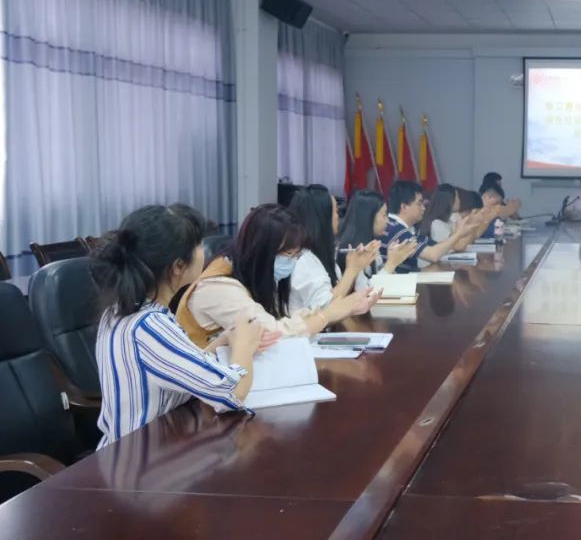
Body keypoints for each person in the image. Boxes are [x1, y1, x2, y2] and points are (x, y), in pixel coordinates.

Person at [91, 204, 278, 448]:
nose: (204, 251)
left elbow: (180, 366)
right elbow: (233, 394)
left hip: (151, 445)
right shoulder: (149, 326)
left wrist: (223, 341)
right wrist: (243, 346)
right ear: (178, 266)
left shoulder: (125, 310)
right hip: (142, 461)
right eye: (198, 245)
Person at [177, 204, 381, 347]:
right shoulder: (218, 286)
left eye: (295, 255)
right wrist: (326, 315)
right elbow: (273, 333)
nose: (292, 262)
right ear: (260, 251)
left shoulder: (254, 276)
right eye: (287, 255)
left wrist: (338, 310)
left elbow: (283, 319)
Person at [287, 185, 380, 311]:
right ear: (323, 217)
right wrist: (352, 270)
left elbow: (340, 296)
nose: (338, 216)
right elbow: (326, 309)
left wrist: (356, 269)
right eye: (336, 211)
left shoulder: (322, 254)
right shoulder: (303, 260)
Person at [383, 180, 479, 272]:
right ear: (404, 207)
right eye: (419, 203)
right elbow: (433, 255)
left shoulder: (408, 228)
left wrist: (458, 234)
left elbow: (437, 246)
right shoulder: (396, 229)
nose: (424, 208)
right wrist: (459, 234)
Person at [338, 190, 419, 289]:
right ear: (368, 217)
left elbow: (386, 283)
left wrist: (395, 260)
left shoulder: (372, 245)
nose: (388, 221)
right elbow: (365, 291)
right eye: (384, 215)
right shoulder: (351, 251)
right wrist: (391, 263)